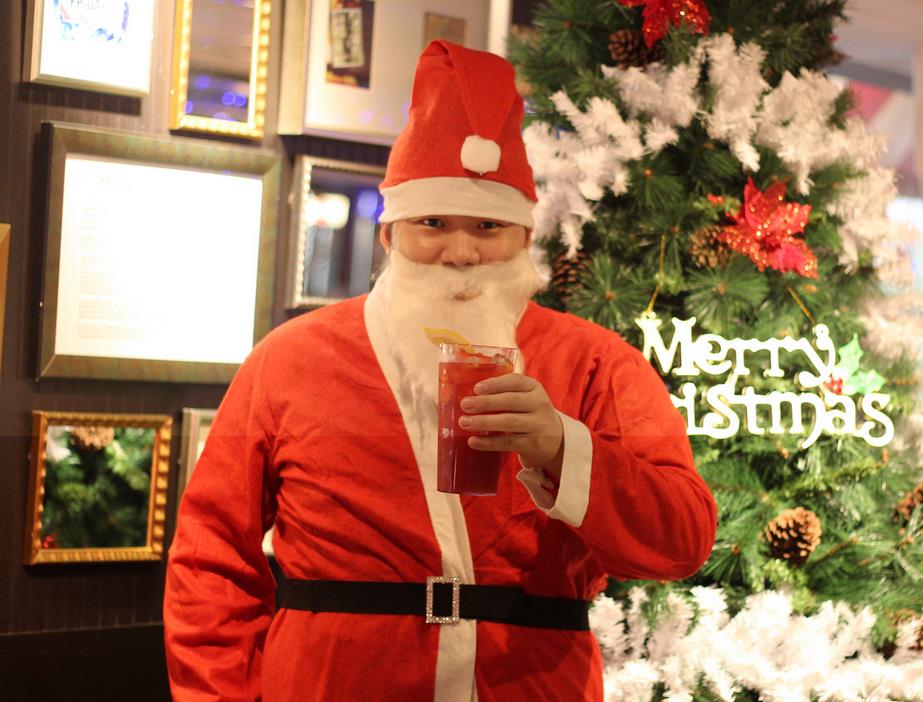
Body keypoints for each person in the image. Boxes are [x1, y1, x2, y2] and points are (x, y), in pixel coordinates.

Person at [163, 40, 717, 701]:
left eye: (487, 226)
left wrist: (563, 449)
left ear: (525, 238)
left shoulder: (594, 363)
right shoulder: (291, 359)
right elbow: (210, 557)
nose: (460, 253)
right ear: (390, 234)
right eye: (432, 223)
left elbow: (682, 540)